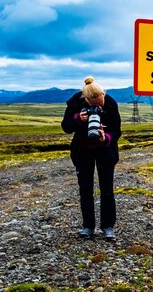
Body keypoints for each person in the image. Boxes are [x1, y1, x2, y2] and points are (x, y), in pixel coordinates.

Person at [61, 76, 122, 241]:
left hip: (105, 152)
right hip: (83, 152)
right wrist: (77, 119)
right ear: (86, 100)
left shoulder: (110, 103)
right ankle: (88, 226)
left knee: (107, 190)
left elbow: (117, 131)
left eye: (100, 105)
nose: (98, 108)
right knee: (85, 189)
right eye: (94, 106)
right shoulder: (75, 102)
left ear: (103, 95)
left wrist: (105, 137)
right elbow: (65, 126)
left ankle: (108, 226)